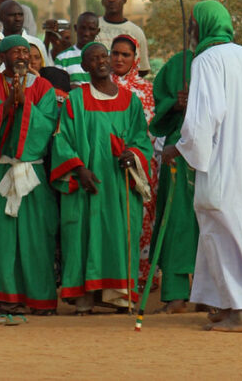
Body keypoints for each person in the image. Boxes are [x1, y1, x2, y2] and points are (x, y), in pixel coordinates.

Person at [162, 0, 242, 333]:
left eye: (192, 24)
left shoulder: (206, 61)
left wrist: (180, 149)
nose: (190, 30)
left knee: (222, 231)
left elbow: (203, 120)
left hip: (223, 162)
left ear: (202, 26)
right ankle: (231, 303)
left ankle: (237, 312)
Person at [50, 42, 153, 313]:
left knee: (119, 236)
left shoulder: (129, 100)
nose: (101, 61)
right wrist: (79, 169)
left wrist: (133, 155)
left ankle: (119, 296)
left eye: (104, 56)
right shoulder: (76, 100)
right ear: (85, 67)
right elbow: (62, 140)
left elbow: (142, 139)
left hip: (119, 184)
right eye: (93, 59)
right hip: (88, 184)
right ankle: (84, 299)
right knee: (84, 237)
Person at [0, 35, 59, 314]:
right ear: (3, 56)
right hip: (1, 170)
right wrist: (7, 107)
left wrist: (26, 107)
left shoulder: (43, 87)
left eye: (26, 52)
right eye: (15, 52)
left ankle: (39, 298)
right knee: (2, 236)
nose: (21, 56)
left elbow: (47, 126)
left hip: (32, 170)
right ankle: (5, 297)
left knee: (37, 235)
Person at [149, 48, 196, 313]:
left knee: (211, 226)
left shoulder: (227, 61)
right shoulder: (179, 64)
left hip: (215, 152)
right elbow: (160, 102)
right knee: (176, 220)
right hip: (178, 150)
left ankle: (208, 295)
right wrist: (176, 104)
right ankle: (175, 293)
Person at [109, 35, 158, 285]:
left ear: (135, 58)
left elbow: (151, 131)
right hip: (106, 164)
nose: (119, 59)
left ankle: (138, 276)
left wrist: (134, 153)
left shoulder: (147, 91)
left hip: (140, 166)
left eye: (125, 55)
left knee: (140, 218)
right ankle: (113, 276)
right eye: (115, 53)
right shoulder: (98, 87)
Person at [97, 0, 151, 76]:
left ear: (124, 0)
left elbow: (143, 68)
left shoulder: (135, 32)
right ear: (103, 2)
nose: (111, 0)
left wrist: (126, 83)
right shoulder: (93, 28)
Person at [0, 0, 52, 68]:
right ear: (0, 17)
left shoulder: (37, 44)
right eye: (12, 15)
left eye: (20, 15)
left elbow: (45, 70)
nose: (17, 19)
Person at [55, 12, 100, 87]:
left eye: (91, 29)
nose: (86, 33)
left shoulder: (106, 56)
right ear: (76, 28)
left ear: (97, 31)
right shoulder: (62, 58)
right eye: (83, 28)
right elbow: (59, 89)